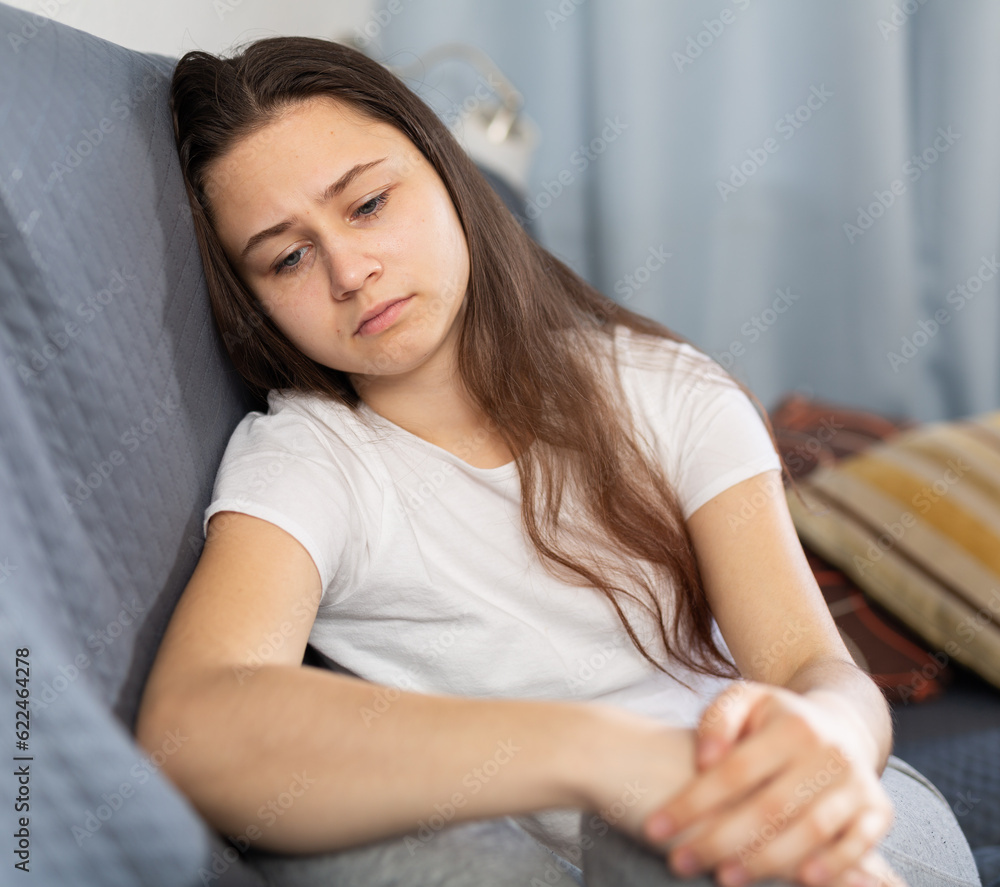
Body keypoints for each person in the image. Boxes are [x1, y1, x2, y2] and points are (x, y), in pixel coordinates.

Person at [134, 35, 982, 887]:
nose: (351, 271)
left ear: (447, 174)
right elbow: (195, 722)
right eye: (288, 257)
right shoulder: (308, 457)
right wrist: (603, 754)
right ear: (255, 302)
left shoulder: (663, 387)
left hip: (818, 799)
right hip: (576, 845)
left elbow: (811, 664)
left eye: (367, 205)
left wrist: (832, 733)